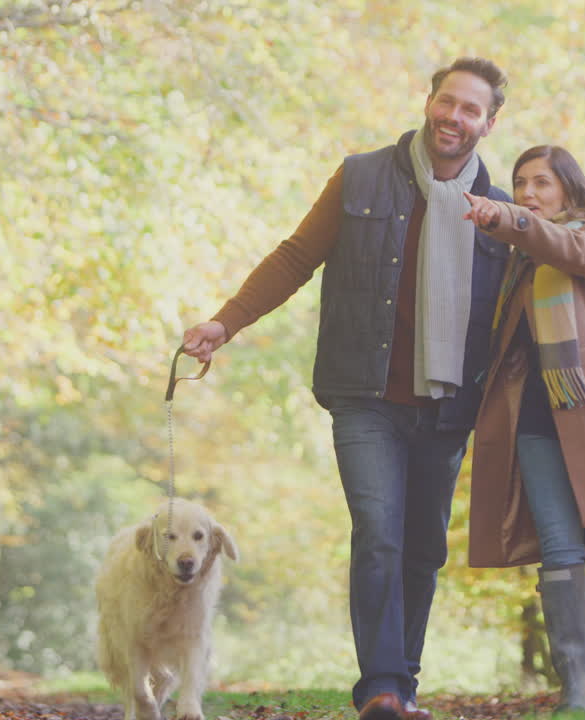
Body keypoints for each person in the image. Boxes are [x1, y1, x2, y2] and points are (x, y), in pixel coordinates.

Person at [181, 58, 513, 720]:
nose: (454, 117)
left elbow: (518, 315)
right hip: (365, 395)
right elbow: (297, 256)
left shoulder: (500, 213)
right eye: (447, 102)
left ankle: (405, 685)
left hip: (448, 407)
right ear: (428, 101)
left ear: (490, 122)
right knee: (379, 530)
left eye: (470, 109)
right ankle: (382, 689)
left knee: (423, 547)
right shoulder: (362, 175)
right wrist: (226, 321)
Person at [461, 145, 585, 713]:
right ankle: (576, 696)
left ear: (569, 188)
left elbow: (567, 248)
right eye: (520, 183)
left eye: (541, 183)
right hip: (538, 424)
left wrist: (509, 219)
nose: (527, 194)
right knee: (560, 549)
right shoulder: (520, 260)